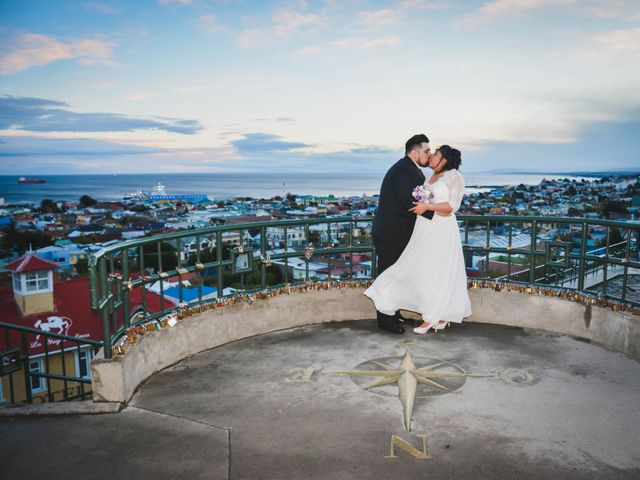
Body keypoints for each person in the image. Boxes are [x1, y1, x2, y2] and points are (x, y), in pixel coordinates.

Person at [365, 145, 472, 334]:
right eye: (430, 152)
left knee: (437, 271)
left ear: (445, 159)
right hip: (423, 228)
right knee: (419, 269)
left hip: (442, 228)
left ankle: (433, 317)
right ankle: (427, 313)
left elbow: (452, 206)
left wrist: (427, 207)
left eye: (436, 154)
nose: (431, 156)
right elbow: (421, 199)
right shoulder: (428, 176)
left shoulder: (455, 176)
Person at [371, 134, 435, 334]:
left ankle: (394, 312)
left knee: (397, 276)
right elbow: (412, 203)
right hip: (391, 235)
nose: (429, 154)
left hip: (398, 234)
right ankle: (385, 320)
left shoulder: (410, 169)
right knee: (388, 277)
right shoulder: (402, 171)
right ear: (414, 152)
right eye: (426, 151)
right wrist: (441, 214)